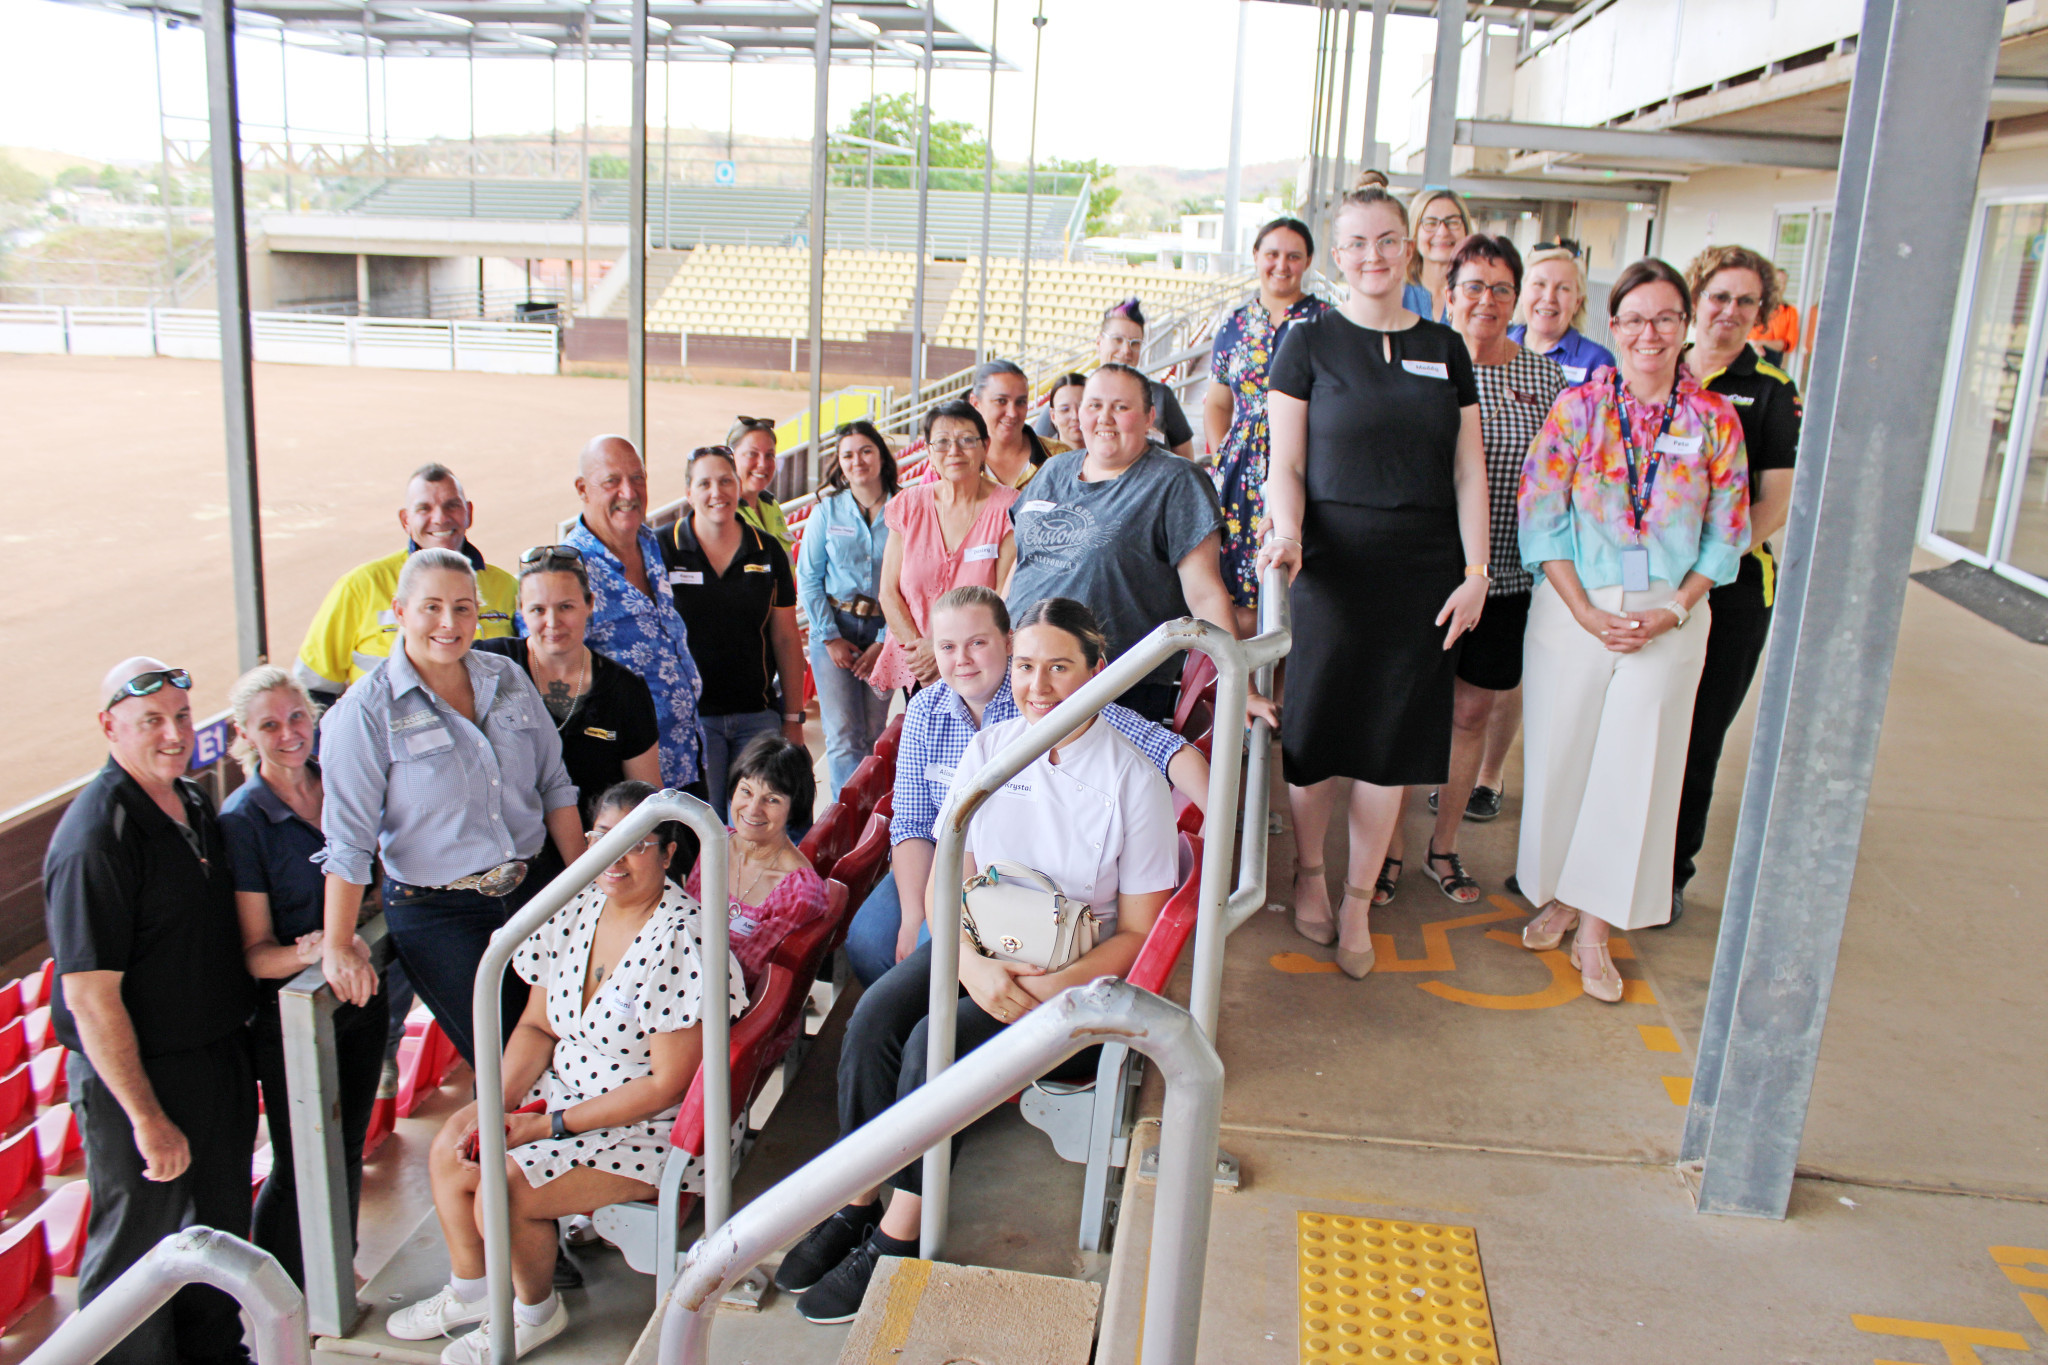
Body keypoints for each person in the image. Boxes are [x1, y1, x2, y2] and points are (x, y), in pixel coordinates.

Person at [774, 598, 1180, 1324]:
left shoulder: (1133, 783)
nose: (1039, 685)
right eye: (1026, 666)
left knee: (933, 1048)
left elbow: (1139, 933)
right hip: (980, 950)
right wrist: (971, 965)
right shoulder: (993, 749)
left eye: (1060, 667)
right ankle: (857, 1198)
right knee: (872, 1021)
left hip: (1071, 984)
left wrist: (1049, 987)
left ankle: (902, 1236)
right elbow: (944, 874)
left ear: (1098, 671)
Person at [384, 781, 747, 1365]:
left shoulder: (682, 936)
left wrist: (547, 1126)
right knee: (453, 1143)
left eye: (635, 844)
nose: (615, 857)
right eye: (603, 838)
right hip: (566, 1094)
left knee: (502, 1191)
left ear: (669, 853)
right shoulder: (578, 903)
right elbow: (536, 1027)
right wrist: (493, 1108)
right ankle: (473, 1291)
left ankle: (533, 1310)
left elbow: (666, 1085)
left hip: (652, 1128)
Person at [1257, 184, 1491, 979]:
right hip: (1333, 565)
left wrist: (1477, 570)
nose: (1374, 256)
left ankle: (1359, 902)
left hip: (1421, 571)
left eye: (1388, 240)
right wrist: (1287, 535)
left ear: (1411, 247)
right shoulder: (1309, 343)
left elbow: (1468, 472)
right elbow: (1284, 464)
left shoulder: (1445, 346)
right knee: (1319, 738)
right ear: (1338, 256)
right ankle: (1311, 874)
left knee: (1389, 748)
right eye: (1356, 243)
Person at [1515, 257, 1750, 1001]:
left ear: (1685, 328)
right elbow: (1541, 515)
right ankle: (1560, 889)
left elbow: (1727, 533)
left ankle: (1595, 926)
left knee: (1636, 769)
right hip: (1576, 603)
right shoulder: (1576, 408)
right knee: (1565, 755)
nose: (1650, 333)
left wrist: (1676, 607)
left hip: (1669, 613)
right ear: (1610, 327)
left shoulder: (1714, 420)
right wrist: (1584, 609)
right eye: (1635, 318)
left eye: (1666, 318)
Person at [45, 657, 259, 1365]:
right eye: (151, 722)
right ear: (109, 727)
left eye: (181, 716)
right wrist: (146, 1117)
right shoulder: (95, 837)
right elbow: (89, 996)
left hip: (215, 1061)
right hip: (143, 1081)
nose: (173, 734)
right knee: (137, 1256)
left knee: (220, 1235)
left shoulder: (192, 802)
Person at [842, 585, 1209, 988]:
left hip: (1016, 899)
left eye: (977, 643)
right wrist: (915, 914)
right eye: (946, 647)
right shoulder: (927, 710)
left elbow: (1164, 749)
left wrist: (1221, 827)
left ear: (1006, 643)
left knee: (931, 977)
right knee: (870, 947)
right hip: (943, 862)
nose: (962, 660)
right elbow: (911, 821)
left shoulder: (1051, 707)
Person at [319, 548, 585, 1066]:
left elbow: (555, 783)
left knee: (571, 1042)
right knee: (510, 1063)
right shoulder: (364, 713)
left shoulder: (505, 676)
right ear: (399, 612)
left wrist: (581, 887)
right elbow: (349, 843)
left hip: (536, 889)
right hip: (443, 914)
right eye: (432, 607)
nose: (449, 623)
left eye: (463, 608)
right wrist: (337, 942)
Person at [1415, 235, 1568, 901]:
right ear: (1448, 292)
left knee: (1471, 715)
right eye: (1473, 285)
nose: (1487, 299)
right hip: (1419, 575)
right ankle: (1387, 857)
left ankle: (1443, 847)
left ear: (1518, 300)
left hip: (1505, 579)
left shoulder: (1543, 379)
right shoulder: (1414, 363)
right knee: (1411, 716)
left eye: (1502, 288)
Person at [221, 666, 384, 1289]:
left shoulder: (336, 780)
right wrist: (317, 949)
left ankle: (334, 1271)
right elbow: (257, 954)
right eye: (270, 725)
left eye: (297, 718)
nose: (289, 734)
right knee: (299, 1163)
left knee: (345, 1148)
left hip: (358, 998)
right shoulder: (244, 821)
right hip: (291, 1019)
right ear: (245, 734)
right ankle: (282, 1290)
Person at [1671, 245, 1801, 924]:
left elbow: (1772, 502)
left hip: (1731, 588)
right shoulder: (1658, 365)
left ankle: (1670, 870)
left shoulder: (1771, 389)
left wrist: (1705, 566)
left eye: (1745, 301)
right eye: (1719, 296)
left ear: (1762, 313)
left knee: (1697, 734)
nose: (1729, 312)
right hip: (1647, 585)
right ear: (1697, 298)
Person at [1005, 364, 1241, 723]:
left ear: (1149, 417)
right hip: (1021, 672)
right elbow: (1022, 564)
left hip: (1113, 685)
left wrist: (1239, 686)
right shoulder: (1054, 471)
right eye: (1094, 405)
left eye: (1120, 407)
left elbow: (1206, 593)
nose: (1105, 418)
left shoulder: (1176, 480)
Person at [295, 463, 519, 707]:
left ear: (468, 513)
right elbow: (311, 691)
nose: (440, 518)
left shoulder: (507, 587)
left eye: (451, 505)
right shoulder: (361, 587)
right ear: (406, 520)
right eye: (424, 508)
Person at [663, 446, 807, 820]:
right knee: (702, 828)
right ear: (688, 492)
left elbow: (786, 638)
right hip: (693, 720)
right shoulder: (662, 549)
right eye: (705, 483)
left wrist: (793, 719)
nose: (717, 492)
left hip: (757, 717)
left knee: (757, 824)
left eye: (726, 481)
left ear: (738, 485)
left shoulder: (768, 550)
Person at [564, 434, 706, 795]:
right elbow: (556, 685)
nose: (628, 492)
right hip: (625, 783)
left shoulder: (649, 542)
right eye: (612, 481)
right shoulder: (567, 571)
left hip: (685, 758)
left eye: (637, 478)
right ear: (583, 488)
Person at [1204, 215, 1331, 617]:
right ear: (1256, 256)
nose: (1282, 264)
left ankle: (1287, 682)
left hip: (1305, 464)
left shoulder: (1328, 322)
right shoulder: (1234, 324)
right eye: (1272, 254)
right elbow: (1218, 402)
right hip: (1239, 470)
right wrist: (1224, 454)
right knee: (1237, 586)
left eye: (1294, 256)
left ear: (1308, 261)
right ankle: (1245, 682)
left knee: (1298, 588)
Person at [475, 545, 663, 814]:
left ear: (590, 604)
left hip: (598, 850)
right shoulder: (489, 663)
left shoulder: (625, 691)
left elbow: (646, 802)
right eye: (538, 609)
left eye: (566, 607)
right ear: (520, 610)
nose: (553, 622)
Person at [872, 402, 1019, 692]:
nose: (954, 451)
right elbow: (888, 592)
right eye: (941, 442)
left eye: (966, 440)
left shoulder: (1010, 508)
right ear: (928, 451)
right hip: (918, 663)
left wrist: (946, 652)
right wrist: (925, 653)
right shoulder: (908, 505)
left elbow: (1004, 598)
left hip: (979, 664)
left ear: (985, 446)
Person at [797, 422, 899, 800]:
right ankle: (844, 821)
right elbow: (809, 578)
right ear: (839, 465)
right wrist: (830, 638)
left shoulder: (904, 507)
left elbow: (912, 580)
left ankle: (871, 815)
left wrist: (883, 641)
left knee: (873, 734)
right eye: (848, 455)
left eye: (866, 451)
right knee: (841, 736)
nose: (858, 461)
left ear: (881, 456)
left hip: (887, 632)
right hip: (834, 628)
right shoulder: (827, 511)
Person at [686, 735, 828, 994]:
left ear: (794, 808)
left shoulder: (800, 893)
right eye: (746, 791)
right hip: (687, 984)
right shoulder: (716, 843)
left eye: (772, 799)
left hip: (733, 1009)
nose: (752, 809)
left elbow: (746, 976)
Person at [1030, 300, 1196, 458]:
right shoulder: (1071, 393)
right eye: (1117, 339)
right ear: (1099, 342)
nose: (1126, 350)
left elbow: (1185, 458)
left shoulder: (1160, 396)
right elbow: (1037, 454)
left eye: (1135, 343)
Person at [1509, 245, 1617, 386]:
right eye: (1539, 284)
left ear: (1578, 302)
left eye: (1563, 288)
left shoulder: (1597, 362)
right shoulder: (1495, 344)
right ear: (1521, 293)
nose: (1549, 298)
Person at [1402, 186, 1471, 322]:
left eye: (1452, 222)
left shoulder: (1478, 295)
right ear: (1414, 232)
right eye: (1431, 223)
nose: (1443, 232)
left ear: (1466, 231)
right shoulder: (1395, 294)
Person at [728, 415, 794, 549]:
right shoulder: (723, 511)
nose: (762, 464)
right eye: (752, 454)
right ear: (731, 458)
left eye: (769, 455)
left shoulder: (771, 506)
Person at [1749, 267, 1799, 367]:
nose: (1781, 286)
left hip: (1772, 359)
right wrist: (1754, 344)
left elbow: (1789, 344)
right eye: (1778, 282)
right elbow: (1743, 333)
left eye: (1784, 283)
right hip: (1750, 354)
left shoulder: (1789, 311)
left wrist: (1763, 342)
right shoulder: (1754, 306)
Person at [1045, 371, 1090, 449]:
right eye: (1065, 409)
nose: (1075, 416)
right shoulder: (1042, 458)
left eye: (1082, 407)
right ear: (1053, 416)